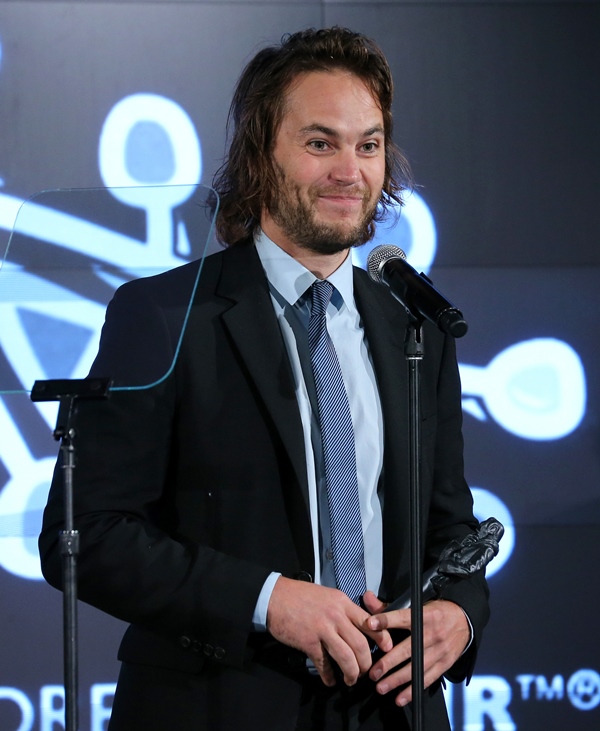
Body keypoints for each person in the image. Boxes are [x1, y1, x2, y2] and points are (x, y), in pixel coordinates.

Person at [39, 27, 489, 731]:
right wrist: (267, 599)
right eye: (321, 143)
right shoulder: (162, 315)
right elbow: (87, 536)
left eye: (368, 145)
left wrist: (460, 614)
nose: (351, 171)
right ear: (259, 156)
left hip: (390, 710)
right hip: (220, 704)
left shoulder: (418, 327)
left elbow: (450, 528)